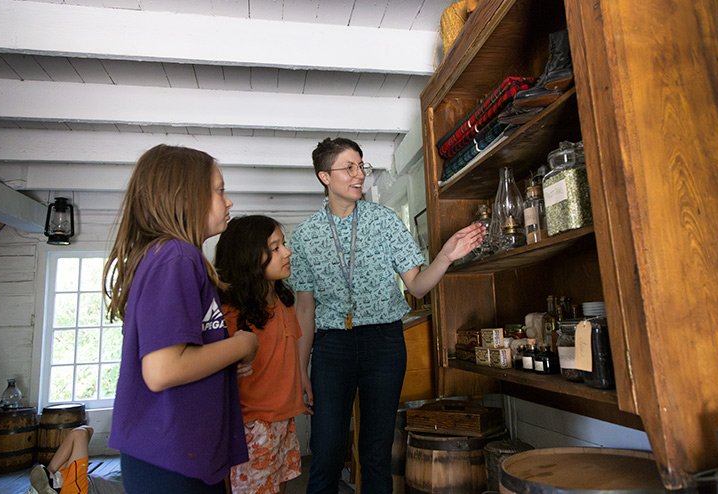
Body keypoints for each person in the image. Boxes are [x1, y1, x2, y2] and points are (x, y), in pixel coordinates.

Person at [290, 137, 486, 493]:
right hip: (332, 348)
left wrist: (444, 256)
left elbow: (417, 287)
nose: (359, 174)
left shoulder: (385, 221)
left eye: (361, 166)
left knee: (377, 452)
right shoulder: (303, 237)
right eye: (349, 167)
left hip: (384, 343)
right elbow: (305, 307)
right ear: (324, 176)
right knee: (326, 450)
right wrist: (300, 370)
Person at [102, 144, 259, 494]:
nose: (228, 201)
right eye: (219, 190)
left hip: (176, 452)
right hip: (170, 458)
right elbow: (163, 370)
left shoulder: (169, 257)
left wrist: (223, 361)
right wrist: (240, 345)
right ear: (186, 197)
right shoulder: (177, 257)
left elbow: (184, 354)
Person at [214, 215, 307, 494]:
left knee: (279, 486)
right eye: (276, 247)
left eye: (283, 244)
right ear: (250, 257)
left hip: (284, 418)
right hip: (251, 426)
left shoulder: (284, 300)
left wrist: (303, 381)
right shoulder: (230, 313)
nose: (287, 252)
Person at [28, 426, 124, 494]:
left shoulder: (136, 485)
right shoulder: (129, 473)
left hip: (82, 490)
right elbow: (88, 430)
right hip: (76, 483)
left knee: (79, 434)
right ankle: (47, 480)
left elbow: (81, 433)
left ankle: (47, 478)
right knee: (86, 431)